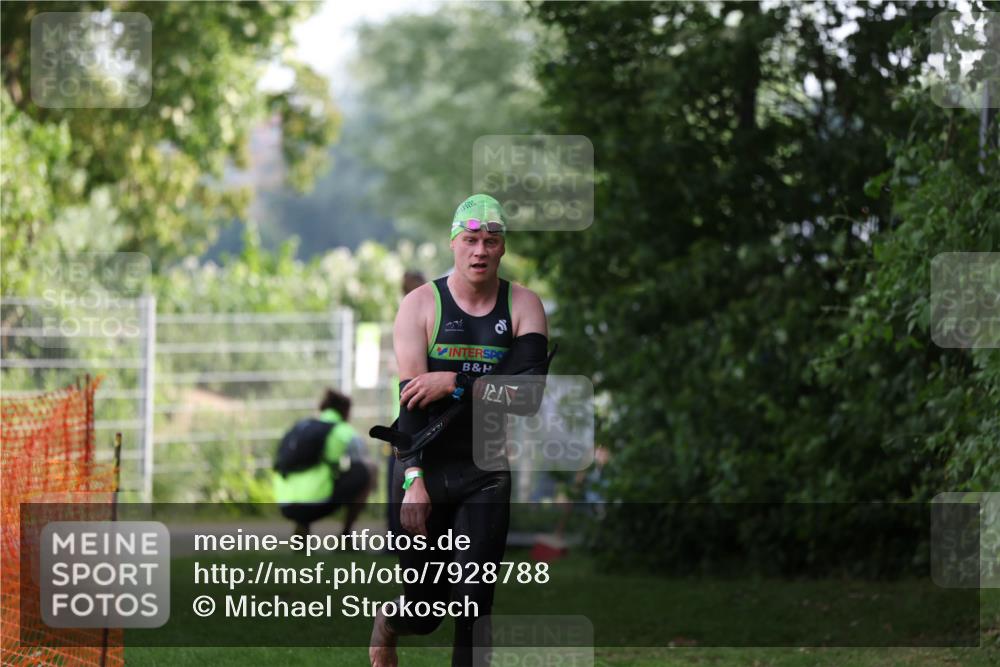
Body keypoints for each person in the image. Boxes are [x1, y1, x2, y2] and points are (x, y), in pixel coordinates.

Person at [369, 194, 549, 667]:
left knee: (474, 602)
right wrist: (413, 480)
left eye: (491, 241)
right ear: (454, 243)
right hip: (424, 467)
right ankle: (390, 621)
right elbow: (409, 406)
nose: (480, 250)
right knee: (425, 612)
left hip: (485, 469)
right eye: (471, 239)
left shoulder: (524, 305)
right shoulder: (420, 305)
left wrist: (456, 380)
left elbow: (527, 396)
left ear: (502, 248)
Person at [273, 388, 377, 537]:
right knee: (369, 470)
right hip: (317, 502)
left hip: (284, 503)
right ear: (346, 412)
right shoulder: (344, 431)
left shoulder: (301, 426)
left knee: (316, 475)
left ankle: (302, 527)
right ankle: (345, 535)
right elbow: (361, 464)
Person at [386, 271, 428, 548]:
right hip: (416, 414)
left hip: (402, 414)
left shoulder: (407, 316)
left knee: (400, 479)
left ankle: (396, 540)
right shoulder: (421, 315)